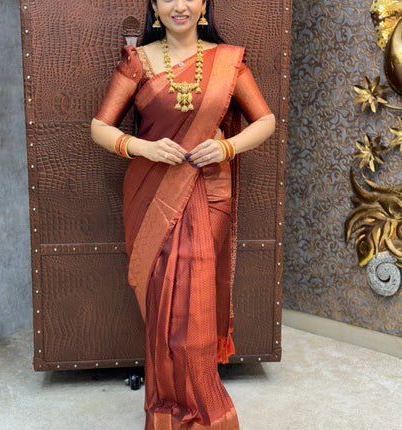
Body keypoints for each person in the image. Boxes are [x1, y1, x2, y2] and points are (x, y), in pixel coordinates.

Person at [91, 0, 275, 428]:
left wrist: (228, 147)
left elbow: (265, 120)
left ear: (204, 4)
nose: (180, 5)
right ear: (154, 6)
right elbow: (100, 126)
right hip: (151, 194)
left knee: (194, 308)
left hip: (209, 195)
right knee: (163, 309)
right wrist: (144, 147)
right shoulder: (137, 62)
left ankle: (202, 409)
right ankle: (167, 410)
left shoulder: (228, 61)